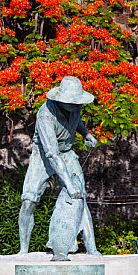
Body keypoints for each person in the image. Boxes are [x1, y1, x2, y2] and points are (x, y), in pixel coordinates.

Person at [18, 76, 101, 259]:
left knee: (81, 197)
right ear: (60, 99)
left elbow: (75, 121)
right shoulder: (45, 114)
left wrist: (86, 134)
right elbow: (52, 154)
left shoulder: (75, 106)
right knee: (29, 201)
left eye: (76, 102)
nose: (75, 105)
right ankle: (23, 249)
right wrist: (68, 184)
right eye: (70, 102)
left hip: (67, 152)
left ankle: (92, 248)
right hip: (45, 155)